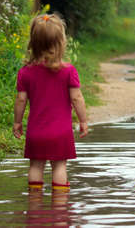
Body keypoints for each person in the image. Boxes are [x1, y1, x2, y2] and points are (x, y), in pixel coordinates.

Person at [13, 13, 89, 192]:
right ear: (61, 43)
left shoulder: (25, 72)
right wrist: (83, 121)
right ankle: (60, 208)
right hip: (60, 133)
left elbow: (21, 99)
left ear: (33, 43)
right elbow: (77, 98)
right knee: (60, 166)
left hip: (36, 132)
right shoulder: (69, 71)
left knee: (35, 166)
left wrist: (17, 122)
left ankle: (34, 202)